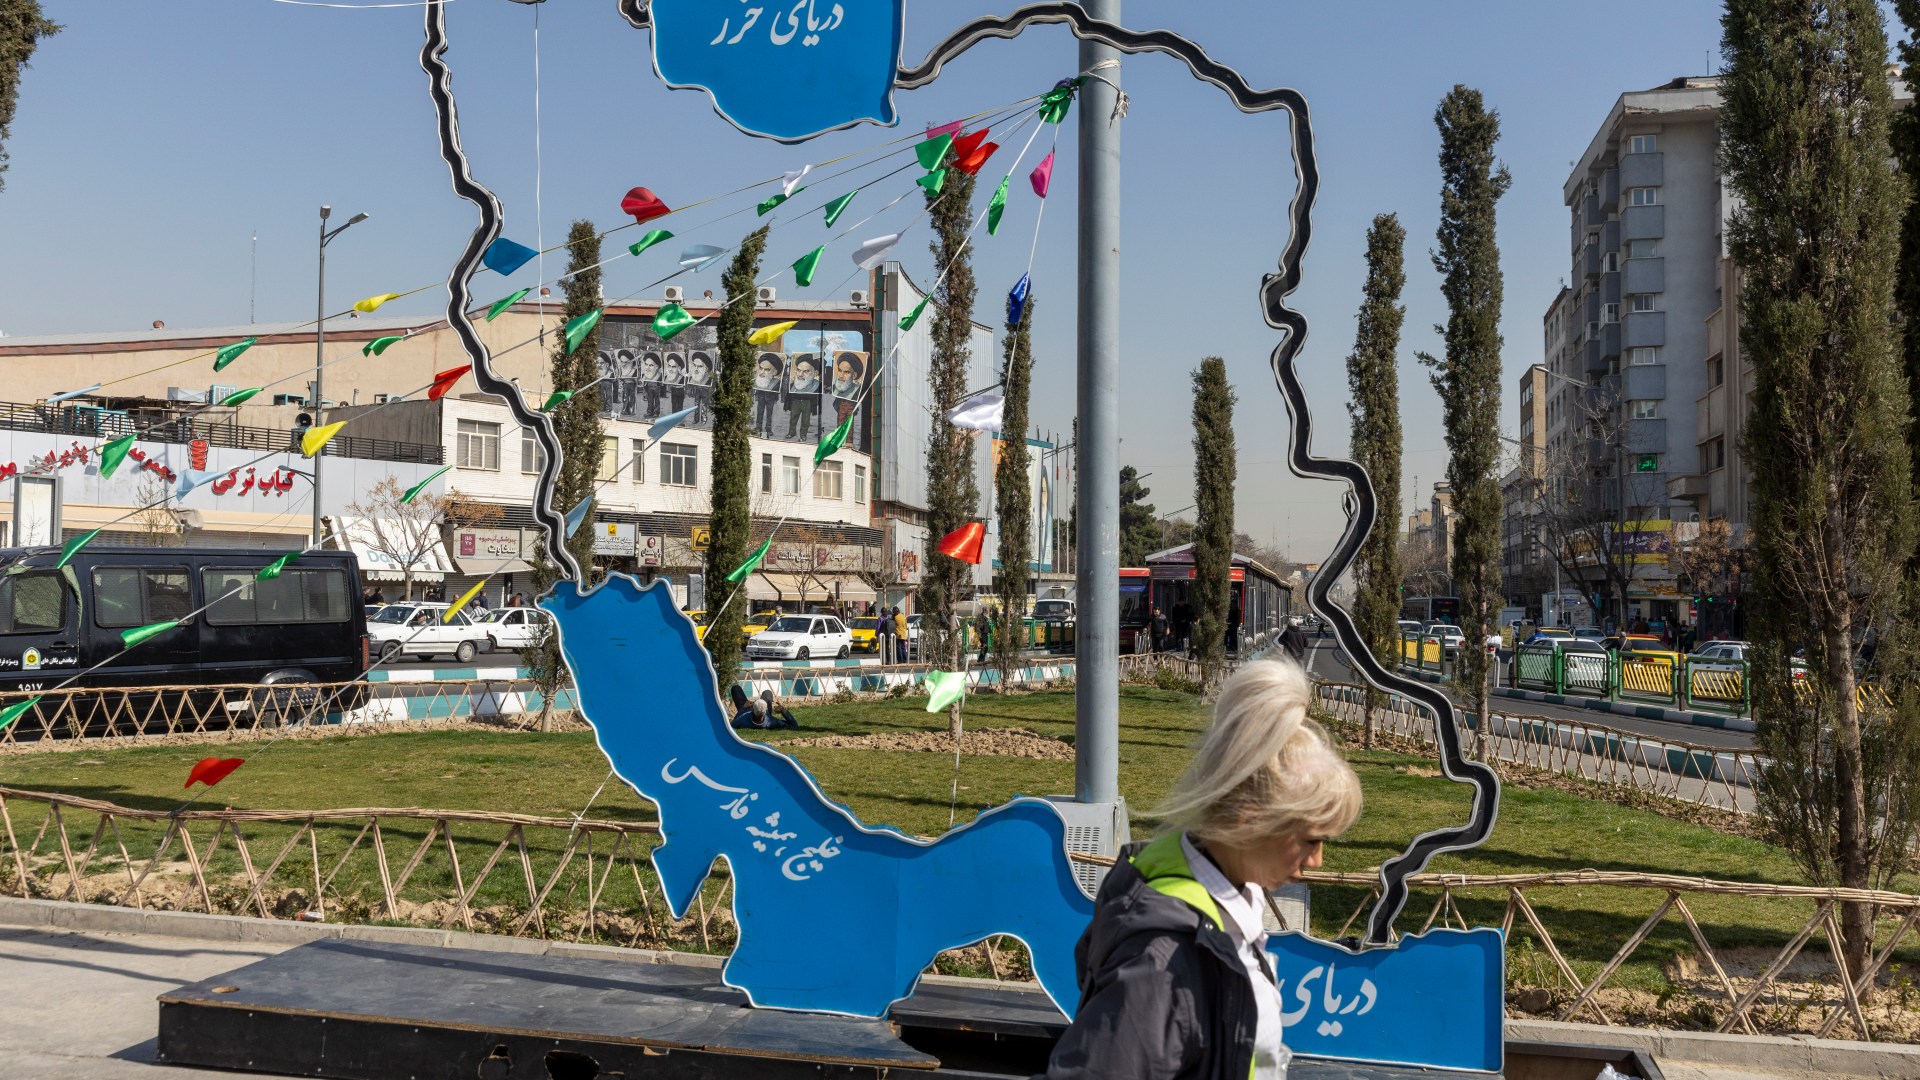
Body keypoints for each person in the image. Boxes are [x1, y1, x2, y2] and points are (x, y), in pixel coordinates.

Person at [1040, 661, 1361, 1080]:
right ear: (1250, 820)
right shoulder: (1165, 960)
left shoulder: (1225, 892)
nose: (1317, 861)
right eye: (1311, 841)